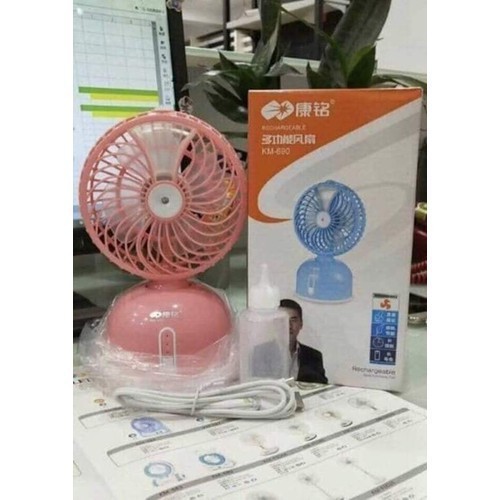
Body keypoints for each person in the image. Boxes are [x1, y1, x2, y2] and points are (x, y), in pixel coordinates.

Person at [280, 298, 328, 384]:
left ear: (301, 324)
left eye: (293, 320)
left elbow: (322, 386)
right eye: (283, 320)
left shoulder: (314, 356)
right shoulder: (261, 353)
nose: (289, 326)